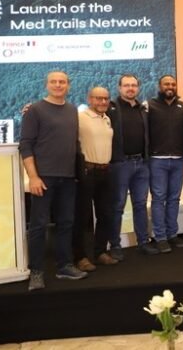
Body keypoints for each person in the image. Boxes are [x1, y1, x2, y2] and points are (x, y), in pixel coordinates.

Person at [20, 71, 87, 290]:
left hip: (68, 177)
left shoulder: (72, 110)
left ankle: (64, 266)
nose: (58, 85)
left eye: (62, 82)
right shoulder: (35, 110)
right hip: (43, 178)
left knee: (66, 223)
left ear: (68, 85)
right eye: (54, 82)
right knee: (38, 225)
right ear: (46, 84)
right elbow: (26, 145)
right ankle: (36, 272)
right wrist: (33, 177)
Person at [108, 74, 158, 257]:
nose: (130, 88)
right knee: (118, 206)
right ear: (119, 88)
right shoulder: (111, 108)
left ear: (138, 87)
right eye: (126, 85)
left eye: (134, 85)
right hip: (120, 164)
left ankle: (143, 242)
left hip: (142, 164)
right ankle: (115, 245)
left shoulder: (143, 109)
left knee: (140, 205)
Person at [73, 86, 117, 274]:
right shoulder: (80, 117)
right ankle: (80, 257)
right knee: (82, 217)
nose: (103, 102)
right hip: (87, 171)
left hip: (105, 171)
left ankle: (100, 252)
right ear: (89, 99)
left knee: (106, 214)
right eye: (98, 98)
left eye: (106, 98)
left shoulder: (107, 118)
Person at [147, 75, 183, 253]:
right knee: (158, 199)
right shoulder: (150, 105)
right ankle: (160, 237)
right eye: (166, 84)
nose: (170, 86)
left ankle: (172, 234)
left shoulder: (182, 106)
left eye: (173, 84)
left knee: (174, 199)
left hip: (178, 160)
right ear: (160, 86)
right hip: (157, 160)